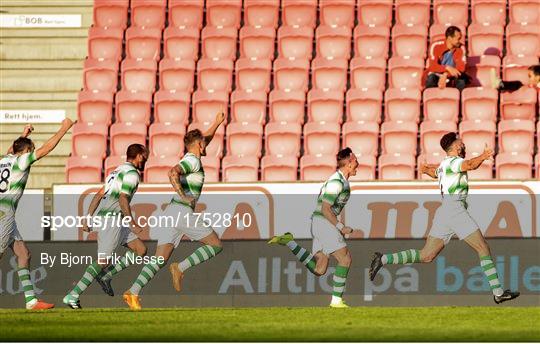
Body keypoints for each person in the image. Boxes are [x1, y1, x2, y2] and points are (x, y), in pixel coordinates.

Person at [369, 132, 520, 304]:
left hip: (445, 210)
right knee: (482, 248)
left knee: (426, 255)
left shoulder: (444, 165)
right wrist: (484, 156)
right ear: (455, 147)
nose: (463, 146)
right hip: (454, 208)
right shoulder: (455, 162)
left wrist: (425, 170)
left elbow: (435, 173)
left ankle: (383, 259)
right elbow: (470, 164)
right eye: (461, 143)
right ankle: (498, 293)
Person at [123, 111, 225, 310]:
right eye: (204, 143)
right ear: (199, 146)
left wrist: (216, 123)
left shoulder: (192, 155)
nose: (206, 145)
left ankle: (132, 292)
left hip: (171, 212)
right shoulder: (193, 161)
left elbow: (205, 139)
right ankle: (181, 267)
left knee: (159, 259)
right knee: (215, 245)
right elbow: (172, 172)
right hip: (182, 211)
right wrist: (183, 193)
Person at [268, 148, 359, 308]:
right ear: (349, 163)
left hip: (319, 223)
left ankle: (290, 242)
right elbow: (325, 208)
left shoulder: (340, 180)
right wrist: (340, 227)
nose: (358, 164)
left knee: (319, 269)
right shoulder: (336, 183)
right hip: (323, 222)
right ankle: (336, 301)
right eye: (356, 161)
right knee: (345, 259)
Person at [63, 144, 149, 309]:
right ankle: (72, 295)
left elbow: (99, 194)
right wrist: (133, 223)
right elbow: (123, 199)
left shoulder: (116, 172)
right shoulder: (132, 174)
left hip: (115, 220)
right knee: (103, 261)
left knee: (140, 250)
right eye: (145, 156)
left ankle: (106, 276)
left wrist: (88, 218)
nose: (145, 160)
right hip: (112, 221)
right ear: (139, 156)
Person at [1, 119, 74, 309]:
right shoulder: (22, 160)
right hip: (4, 213)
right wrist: (63, 129)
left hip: (6, 212)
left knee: (23, 254)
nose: (32, 152)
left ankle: (31, 301)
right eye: (30, 149)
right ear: (26, 152)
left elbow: (12, 149)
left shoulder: (5, 160)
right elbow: (46, 149)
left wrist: (24, 135)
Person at [424, 26, 468, 90]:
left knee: (461, 81)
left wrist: (446, 74)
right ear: (450, 38)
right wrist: (447, 68)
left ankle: (459, 98)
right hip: (437, 73)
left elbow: (461, 68)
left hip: (453, 74)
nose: (460, 41)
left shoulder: (461, 48)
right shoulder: (435, 45)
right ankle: (432, 98)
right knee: (431, 79)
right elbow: (433, 66)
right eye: (458, 39)